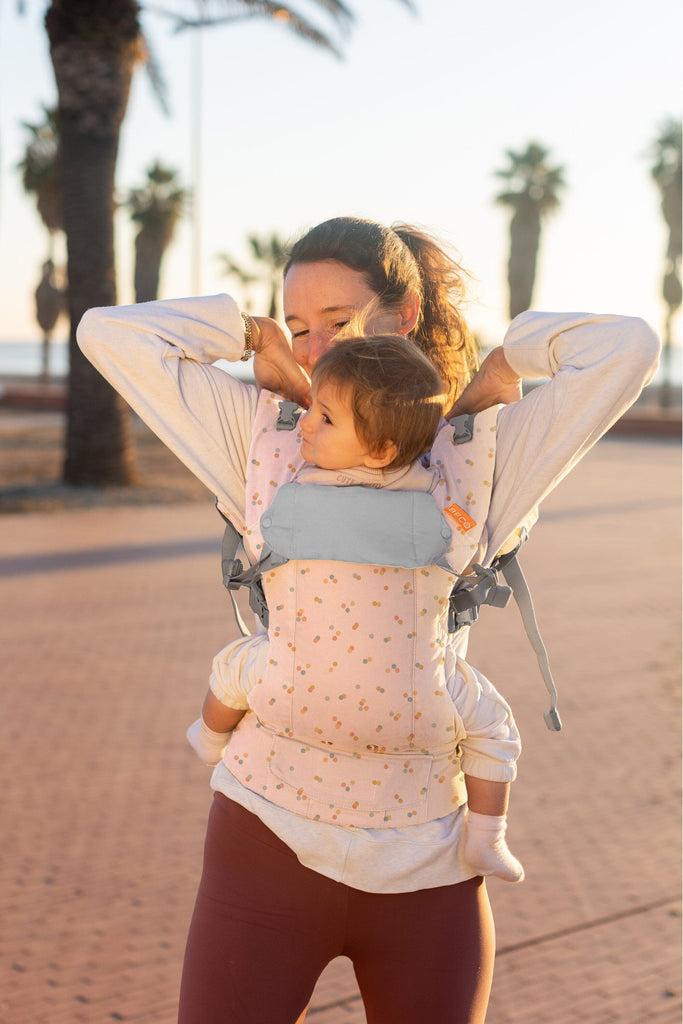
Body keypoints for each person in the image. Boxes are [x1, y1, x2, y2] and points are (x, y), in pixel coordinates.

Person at [77, 215, 660, 1024]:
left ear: (405, 316)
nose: (313, 351)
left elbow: (627, 346)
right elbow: (107, 334)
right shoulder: (261, 433)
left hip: (427, 862)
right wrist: (249, 336)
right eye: (298, 326)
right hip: (264, 841)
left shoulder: (483, 454)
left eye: (338, 325)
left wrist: (500, 365)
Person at [186, 334, 525, 885]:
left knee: (234, 669)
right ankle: (488, 839)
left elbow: (262, 482)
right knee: (493, 728)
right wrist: (477, 419)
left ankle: (207, 738)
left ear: (381, 450)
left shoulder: (288, 486)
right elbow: (468, 521)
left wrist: (271, 401)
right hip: (417, 694)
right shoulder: (441, 506)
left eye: (324, 417)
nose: (305, 427)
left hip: (293, 679)